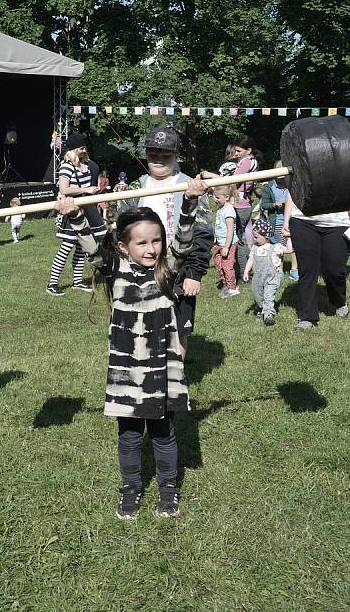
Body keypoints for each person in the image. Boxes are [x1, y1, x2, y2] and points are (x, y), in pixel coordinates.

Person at [55, 175, 207, 520]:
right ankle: (130, 491)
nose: (151, 249)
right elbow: (92, 247)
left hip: (161, 366)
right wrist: (75, 214)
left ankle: (168, 491)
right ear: (123, 247)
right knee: (129, 435)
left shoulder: (166, 270)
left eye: (156, 241)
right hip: (127, 368)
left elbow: (183, 242)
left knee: (164, 433)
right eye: (141, 243)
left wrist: (191, 201)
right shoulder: (115, 270)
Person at [118, 126, 213, 350]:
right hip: (141, 272)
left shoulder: (191, 187)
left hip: (179, 271)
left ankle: (175, 381)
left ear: (176, 156)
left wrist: (194, 273)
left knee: (178, 331)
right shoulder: (135, 188)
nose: (158, 159)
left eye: (165, 154)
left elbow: (203, 234)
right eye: (153, 154)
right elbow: (120, 232)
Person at [46, 133, 106, 296]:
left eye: (84, 146)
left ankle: (78, 281)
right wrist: (85, 190)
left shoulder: (87, 164)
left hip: (86, 208)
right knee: (66, 247)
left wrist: (94, 190)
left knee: (82, 247)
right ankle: (52, 283)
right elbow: (64, 189)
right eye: (81, 147)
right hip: (72, 209)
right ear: (74, 149)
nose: (84, 149)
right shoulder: (67, 165)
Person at [282, 194, 350, 331]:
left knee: (333, 268)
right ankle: (306, 316)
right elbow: (293, 188)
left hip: (337, 221)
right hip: (302, 219)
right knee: (307, 269)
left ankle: (338, 301)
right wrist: (286, 219)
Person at [203, 136, 261, 278]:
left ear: (249, 150)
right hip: (243, 203)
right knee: (240, 239)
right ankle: (246, 268)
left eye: (238, 151)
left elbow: (231, 181)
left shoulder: (247, 162)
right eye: (235, 151)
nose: (235, 154)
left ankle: (243, 272)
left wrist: (210, 175)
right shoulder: (248, 161)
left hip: (240, 205)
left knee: (237, 240)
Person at [242, 217, 290, 326]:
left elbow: (289, 250)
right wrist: (246, 271)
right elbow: (251, 259)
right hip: (257, 277)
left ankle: (268, 314)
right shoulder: (255, 247)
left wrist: (289, 238)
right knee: (257, 295)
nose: (254, 239)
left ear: (266, 236)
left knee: (268, 295)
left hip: (271, 277)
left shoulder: (275, 247)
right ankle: (260, 308)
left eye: (256, 237)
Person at [260, 162, 298, 281]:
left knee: (295, 246)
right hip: (276, 221)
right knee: (278, 247)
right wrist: (273, 205)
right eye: (279, 178)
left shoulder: (292, 184)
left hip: (293, 220)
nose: (282, 180)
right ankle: (279, 270)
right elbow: (264, 204)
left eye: (283, 178)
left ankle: (294, 270)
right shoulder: (269, 187)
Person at [212, 185, 239, 298]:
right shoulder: (221, 208)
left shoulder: (228, 211)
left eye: (217, 197)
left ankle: (232, 288)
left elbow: (230, 231)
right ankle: (226, 284)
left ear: (227, 197)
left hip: (228, 244)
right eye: (214, 196)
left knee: (227, 266)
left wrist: (226, 247)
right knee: (219, 264)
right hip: (220, 243)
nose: (214, 199)